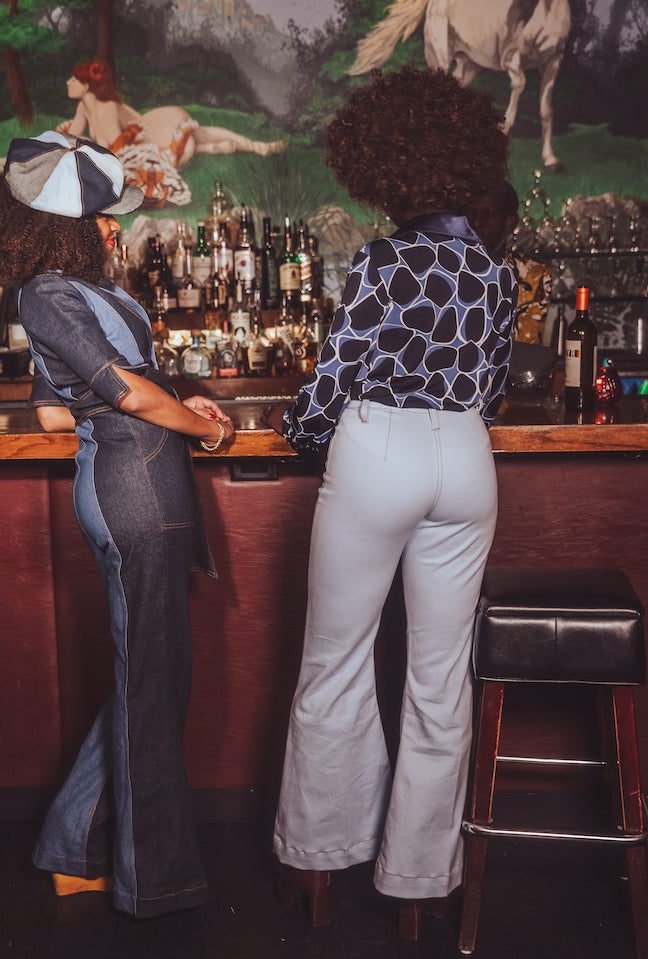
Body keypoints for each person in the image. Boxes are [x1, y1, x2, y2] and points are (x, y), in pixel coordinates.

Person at [262, 66, 518, 932]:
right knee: (441, 683)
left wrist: (294, 430)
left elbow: (333, 382)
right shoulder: (495, 269)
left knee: (336, 666)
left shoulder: (381, 259)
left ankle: (321, 866)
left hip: (380, 448)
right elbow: (490, 389)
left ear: (385, 164)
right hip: (467, 458)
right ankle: (417, 882)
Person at [0, 130, 234, 918]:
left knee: (149, 675)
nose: (117, 228)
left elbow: (57, 402)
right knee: (152, 680)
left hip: (145, 485)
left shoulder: (80, 290)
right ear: (64, 225)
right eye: (105, 218)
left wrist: (187, 400)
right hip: (131, 493)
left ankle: (71, 848)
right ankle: (152, 878)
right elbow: (123, 393)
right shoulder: (47, 290)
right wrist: (206, 429)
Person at [58, 60, 286, 206]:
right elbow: (72, 136)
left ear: (86, 86)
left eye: (74, 80)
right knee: (198, 138)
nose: (68, 83)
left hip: (158, 135)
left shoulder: (106, 108)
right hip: (151, 139)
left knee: (195, 136)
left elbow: (118, 152)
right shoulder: (84, 108)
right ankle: (236, 147)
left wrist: (85, 142)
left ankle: (254, 146)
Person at [468, 182, 552, 345]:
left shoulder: (532, 275)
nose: (477, 223)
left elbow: (526, 349)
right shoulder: (450, 268)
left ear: (511, 222)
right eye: (470, 215)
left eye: (488, 214)